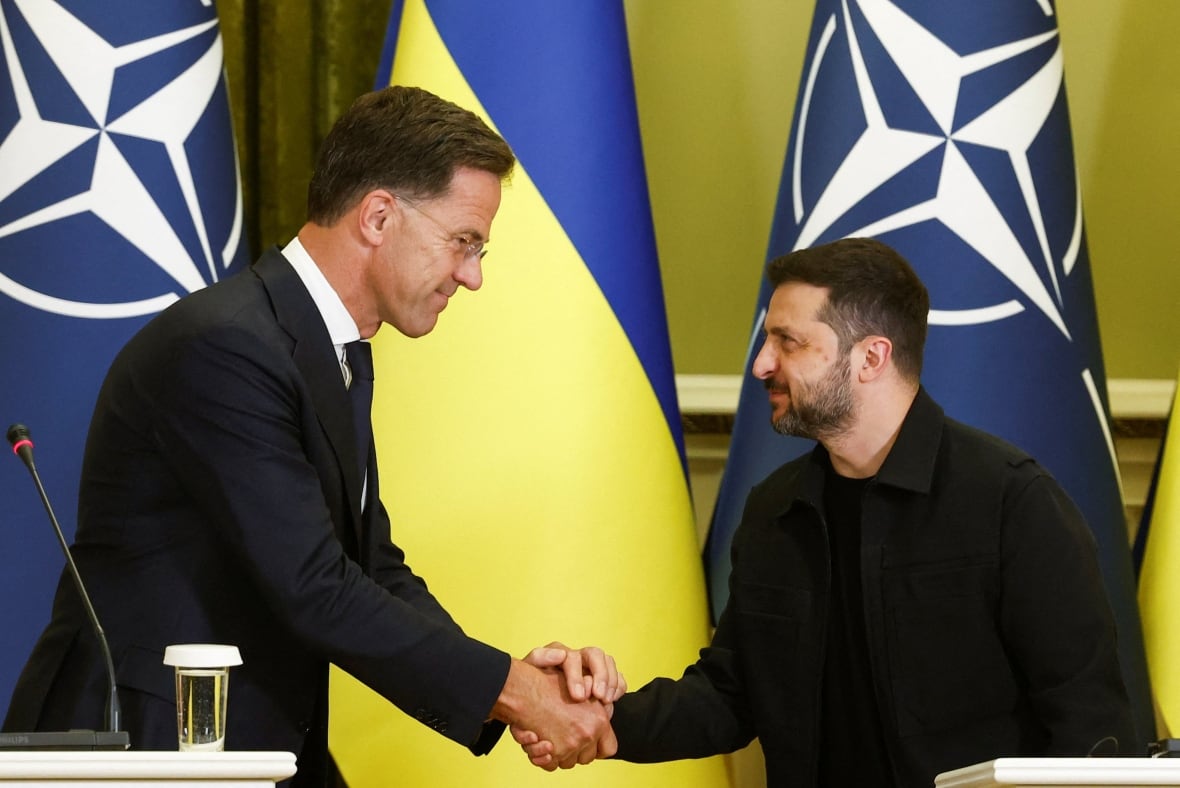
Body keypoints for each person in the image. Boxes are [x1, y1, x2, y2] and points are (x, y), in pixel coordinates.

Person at [4, 86, 621, 785]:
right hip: (150, 748)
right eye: (463, 242)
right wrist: (512, 690)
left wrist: (508, 691)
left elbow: (368, 566)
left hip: (251, 741)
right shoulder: (226, 347)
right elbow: (313, 584)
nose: (472, 276)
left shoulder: (332, 351)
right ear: (380, 216)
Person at [520, 237, 1136, 784]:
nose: (761, 364)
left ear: (871, 358)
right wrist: (598, 716)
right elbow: (733, 696)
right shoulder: (775, 510)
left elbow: (1089, 726)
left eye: (787, 341)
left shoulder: (1012, 501)